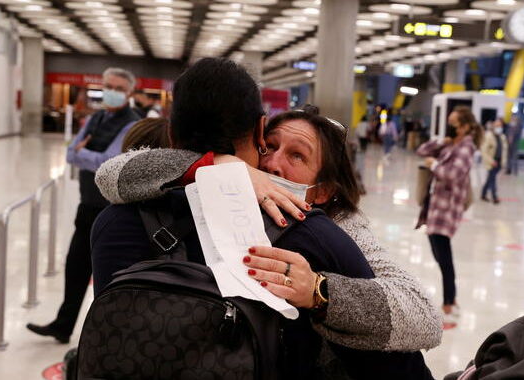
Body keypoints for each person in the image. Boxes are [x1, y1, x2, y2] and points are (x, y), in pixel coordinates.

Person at [91, 58, 435, 379]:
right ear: (258, 135)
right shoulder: (313, 235)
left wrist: (319, 291)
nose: (271, 165)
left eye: (297, 156)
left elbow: (422, 319)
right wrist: (220, 167)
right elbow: (113, 173)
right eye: (269, 147)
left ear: (324, 190)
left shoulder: (336, 230)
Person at [26, 67, 141, 343]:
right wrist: (83, 154)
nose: (111, 92)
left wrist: (83, 153)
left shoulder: (131, 123)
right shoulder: (95, 118)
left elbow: (107, 161)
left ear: (129, 93)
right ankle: (63, 326)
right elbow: (69, 153)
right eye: (108, 86)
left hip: (111, 210)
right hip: (87, 204)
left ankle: (108, 340)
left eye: (118, 88)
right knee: (75, 266)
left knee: (109, 277)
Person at [417, 105, 483, 325]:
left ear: (464, 127)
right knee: (439, 255)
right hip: (435, 208)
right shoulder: (451, 144)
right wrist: (440, 142)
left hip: (447, 209)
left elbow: (453, 176)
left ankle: (449, 304)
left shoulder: (466, 148)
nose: (450, 127)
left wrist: (434, 164)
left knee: (444, 258)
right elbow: (422, 150)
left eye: (453, 124)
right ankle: (451, 300)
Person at [481, 118, 509, 204]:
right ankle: (494, 196)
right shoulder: (488, 136)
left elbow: (505, 150)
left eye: (500, 126)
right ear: (493, 126)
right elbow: (484, 150)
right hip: (492, 162)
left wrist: (504, 162)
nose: (498, 127)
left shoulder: (502, 137)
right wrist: (491, 161)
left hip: (499, 161)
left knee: (490, 179)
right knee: (492, 179)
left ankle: (483, 193)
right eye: (496, 126)